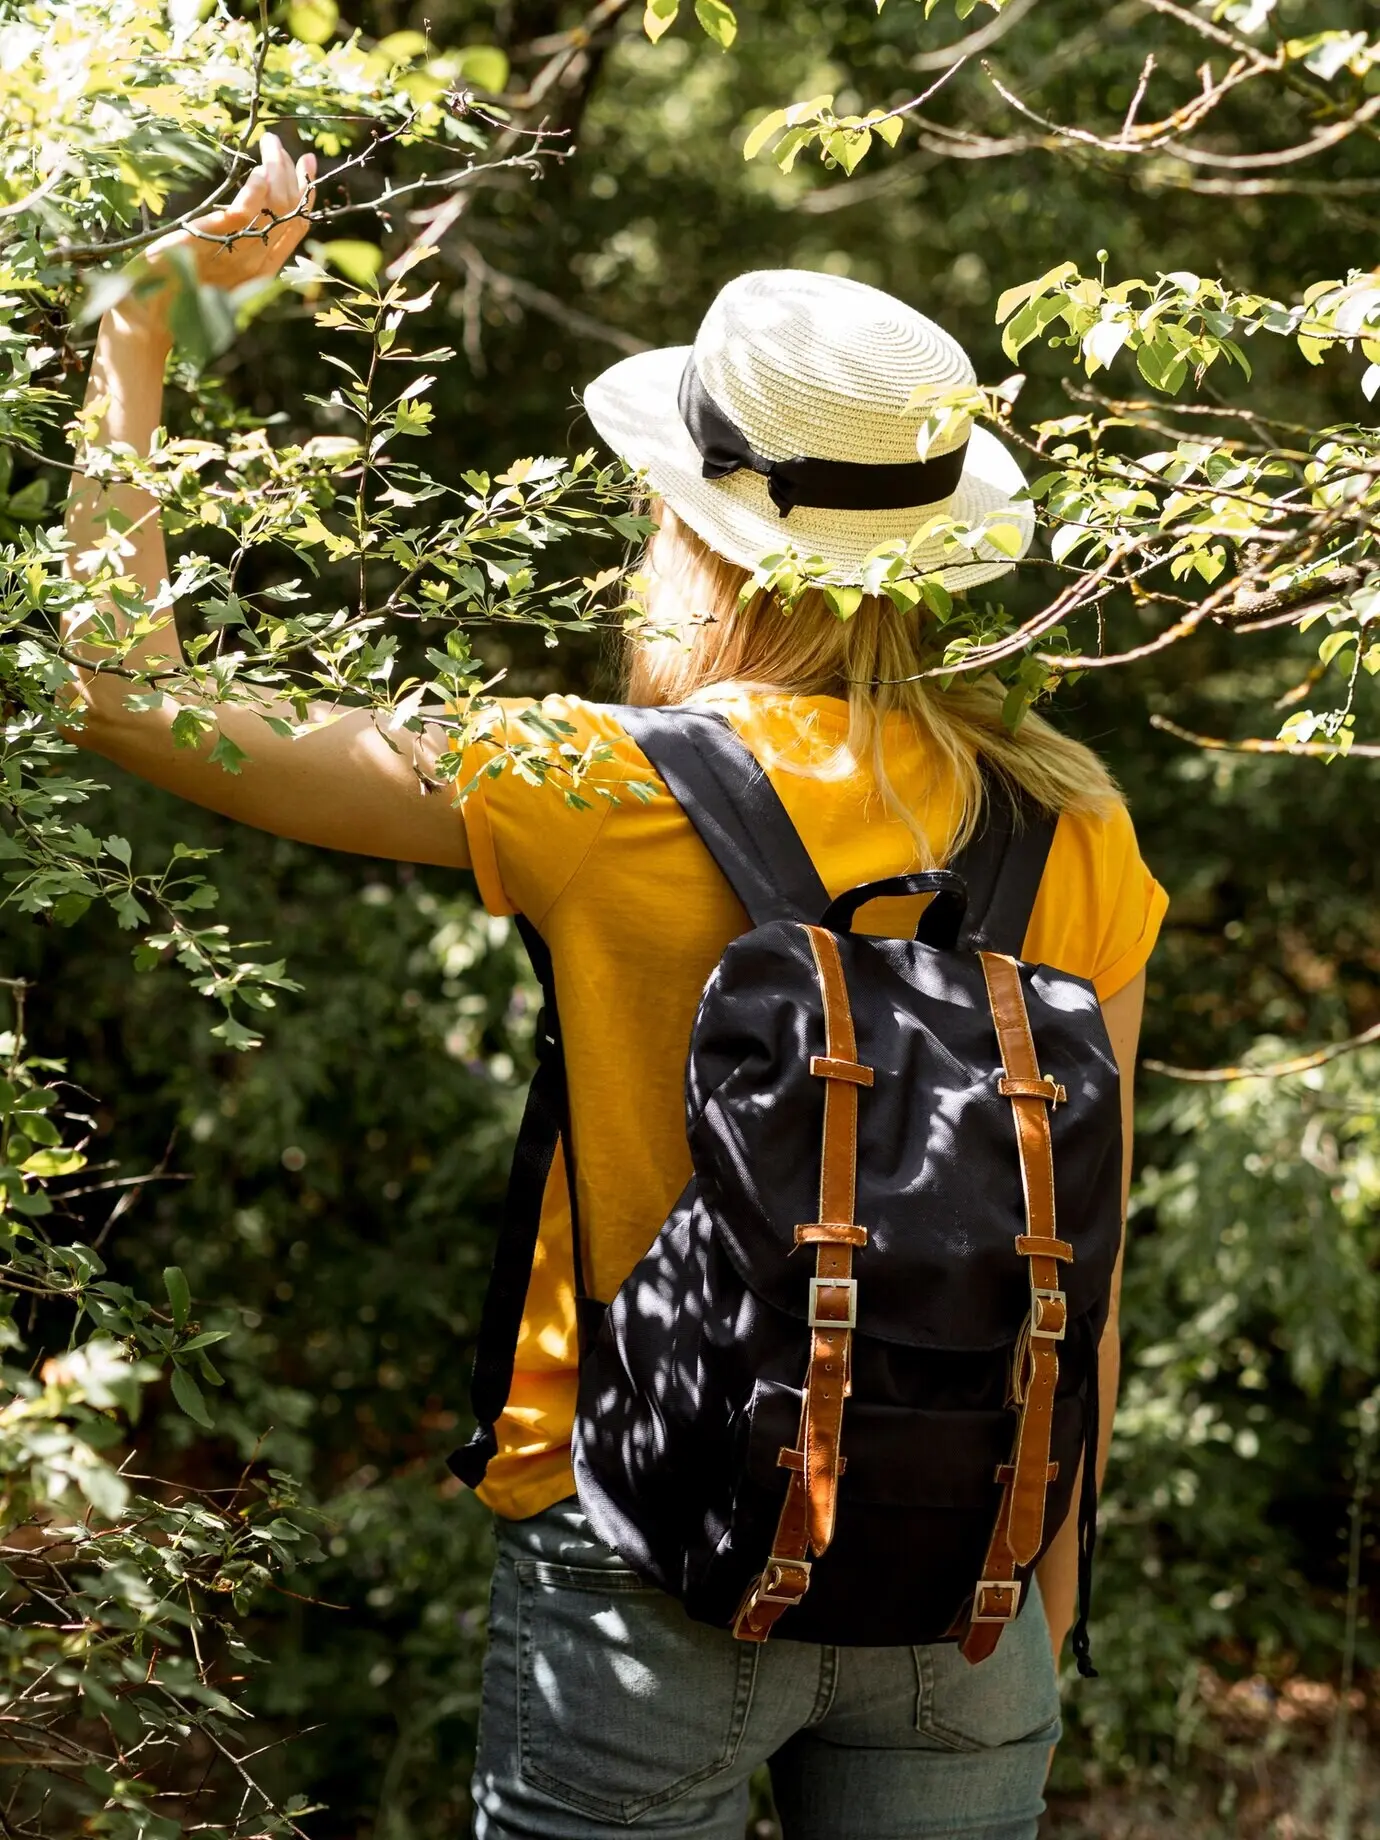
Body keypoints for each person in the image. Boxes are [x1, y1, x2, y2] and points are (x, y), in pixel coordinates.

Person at [65, 139, 1166, 1840]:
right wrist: (1037, 1597)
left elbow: (125, 695)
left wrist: (143, 327)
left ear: (688, 530)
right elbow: (1086, 1265)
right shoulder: (1076, 823)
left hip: (650, 1545)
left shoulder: (598, 786)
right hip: (967, 1573)